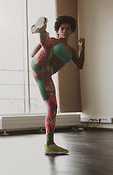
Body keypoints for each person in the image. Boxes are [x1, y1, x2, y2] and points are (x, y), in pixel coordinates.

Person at [31, 16, 85, 155]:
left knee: (53, 107)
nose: (65, 31)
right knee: (48, 48)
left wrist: (82, 48)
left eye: (68, 29)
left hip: (45, 75)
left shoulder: (72, 51)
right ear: (58, 31)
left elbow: (79, 65)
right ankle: (42, 31)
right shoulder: (53, 41)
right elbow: (33, 54)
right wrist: (44, 47)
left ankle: (50, 144)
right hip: (39, 63)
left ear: (71, 32)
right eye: (62, 28)